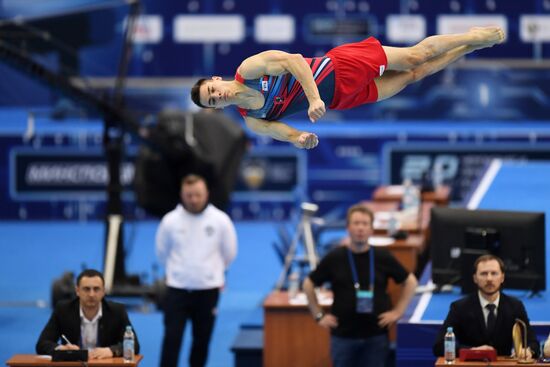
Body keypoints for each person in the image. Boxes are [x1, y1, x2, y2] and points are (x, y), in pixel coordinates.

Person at [190, 27, 505, 149]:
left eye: (212, 91)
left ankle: (471, 36)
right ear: (216, 110)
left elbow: (294, 61)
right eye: (213, 102)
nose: (218, 96)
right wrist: (302, 138)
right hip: (343, 97)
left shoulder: (249, 69)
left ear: (217, 79)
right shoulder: (253, 118)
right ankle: (467, 47)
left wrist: (313, 97)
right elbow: (283, 133)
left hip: (340, 67)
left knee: (413, 56)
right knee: (413, 76)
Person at [303, 204, 418, 367]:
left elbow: (410, 282)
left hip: (376, 336)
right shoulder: (335, 257)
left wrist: (398, 311)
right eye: (356, 223)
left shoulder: (382, 256)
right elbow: (308, 284)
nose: (360, 228)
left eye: (365, 224)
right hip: (343, 336)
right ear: (348, 228)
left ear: (371, 229)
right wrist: (318, 315)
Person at [156, 174, 237, 367]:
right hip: (177, 290)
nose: (193, 200)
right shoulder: (170, 221)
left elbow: (230, 253)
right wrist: (178, 272)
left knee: (201, 342)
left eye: (198, 195)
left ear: (206, 194)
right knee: (171, 339)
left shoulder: (221, 220)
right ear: (182, 195)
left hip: (207, 290)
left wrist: (212, 272)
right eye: (189, 195)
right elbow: (161, 252)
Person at [433, 254, 539, 358]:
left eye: (494, 273)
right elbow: (439, 346)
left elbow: (533, 343)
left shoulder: (515, 306)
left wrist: (528, 351)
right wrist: (471, 351)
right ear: (475, 278)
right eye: (484, 274)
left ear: (502, 277)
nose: (489, 278)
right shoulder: (460, 307)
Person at [36, 269, 140, 358]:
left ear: (103, 291)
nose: (91, 294)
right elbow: (42, 344)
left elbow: (135, 346)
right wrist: (61, 349)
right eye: (86, 289)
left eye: (96, 289)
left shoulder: (117, 311)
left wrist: (111, 351)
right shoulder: (63, 310)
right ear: (77, 291)